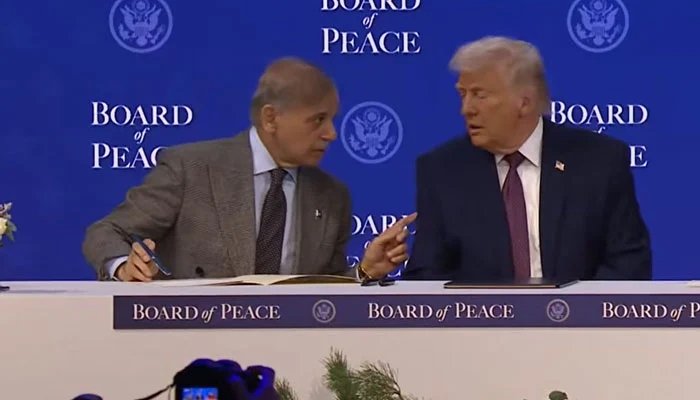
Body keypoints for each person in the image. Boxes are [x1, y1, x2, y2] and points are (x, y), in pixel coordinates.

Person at [82, 57, 415, 281]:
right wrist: (124, 266)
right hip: (195, 345)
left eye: (332, 119)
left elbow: (322, 295)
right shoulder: (191, 169)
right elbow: (105, 232)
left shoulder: (331, 196)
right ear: (271, 118)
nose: (332, 133)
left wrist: (365, 271)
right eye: (317, 120)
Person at [362, 36, 651, 282]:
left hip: (580, 325)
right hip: (480, 328)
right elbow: (429, 276)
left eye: (479, 95)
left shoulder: (598, 161)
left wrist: (578, 318)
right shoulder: (442, 170)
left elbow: (628, 264)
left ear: (524, 102)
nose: (466, 109)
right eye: (463, 94)